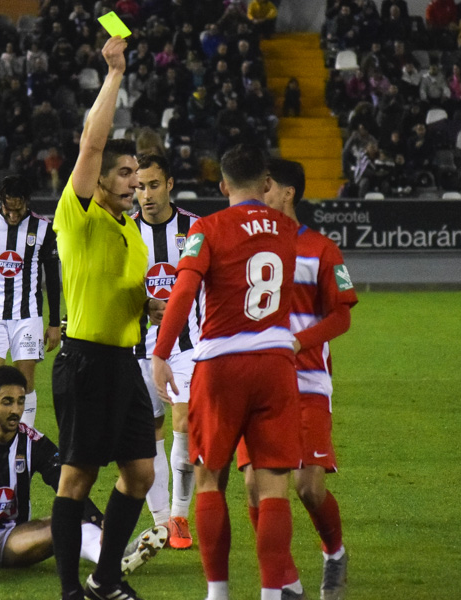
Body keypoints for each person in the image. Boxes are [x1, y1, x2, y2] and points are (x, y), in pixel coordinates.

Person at [152, 144, 305, 600]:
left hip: (220, 366)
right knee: (274, 487)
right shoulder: (288, 229)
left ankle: (217, 594)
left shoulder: (207, 228)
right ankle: (272, 595)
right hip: (277, 366)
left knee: (208, 477)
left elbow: (183, 290)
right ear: (265, 184)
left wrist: (162, 352)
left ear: (222, 186)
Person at [49, 36, 165, 600]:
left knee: (140, 474)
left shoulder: (133, 234)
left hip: (125, 363)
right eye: (123, 173)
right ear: (98, 178)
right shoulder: (78, 214)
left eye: (136, 175)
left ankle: (104, 577)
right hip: (85, 362)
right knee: (77, 479)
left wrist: (149, 306)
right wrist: (114, 72)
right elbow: (92, 141)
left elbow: (129, 295)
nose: (132, 182)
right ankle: (71, 588)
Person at [236, 159, 358, 600]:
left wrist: (297, 342)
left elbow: (342, 316)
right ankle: (285, 580)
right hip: (258, 382)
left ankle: (334, 552)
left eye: (266, 187)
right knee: (253, 484)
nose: (259, 194)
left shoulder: (322, 249)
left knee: (308, 486)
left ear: (287, 192)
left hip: (307, 382)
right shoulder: (249, 246)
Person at [0, 366, 164, 582]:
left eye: (20, 402)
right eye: (7, 402)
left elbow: (64, 481)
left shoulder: (34, 442)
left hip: (15, 538)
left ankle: (112, 556)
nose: (16, 410)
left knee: (68, 519)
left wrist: (99, 520)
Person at [131, 153, 200, 550]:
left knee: (184, 423)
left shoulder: (194, 229)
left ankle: (179, 514)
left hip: (187, 345)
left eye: (153, 185)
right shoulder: (124, 231)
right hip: (137, 347)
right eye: (139, 187)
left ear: (170, 184)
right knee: (149, 433)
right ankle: (160, 522)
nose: (146, 195)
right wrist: (141, 304)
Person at [0, 175, 61, 428]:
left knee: (24, 384)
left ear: (27, 202)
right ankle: (0, 433)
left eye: (19, 209)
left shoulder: (43, 228)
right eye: (8, 209)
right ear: (1, 203)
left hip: (28, 318)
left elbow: (52, 277)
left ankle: (24, 441)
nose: (13, 215)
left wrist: (53, 322)